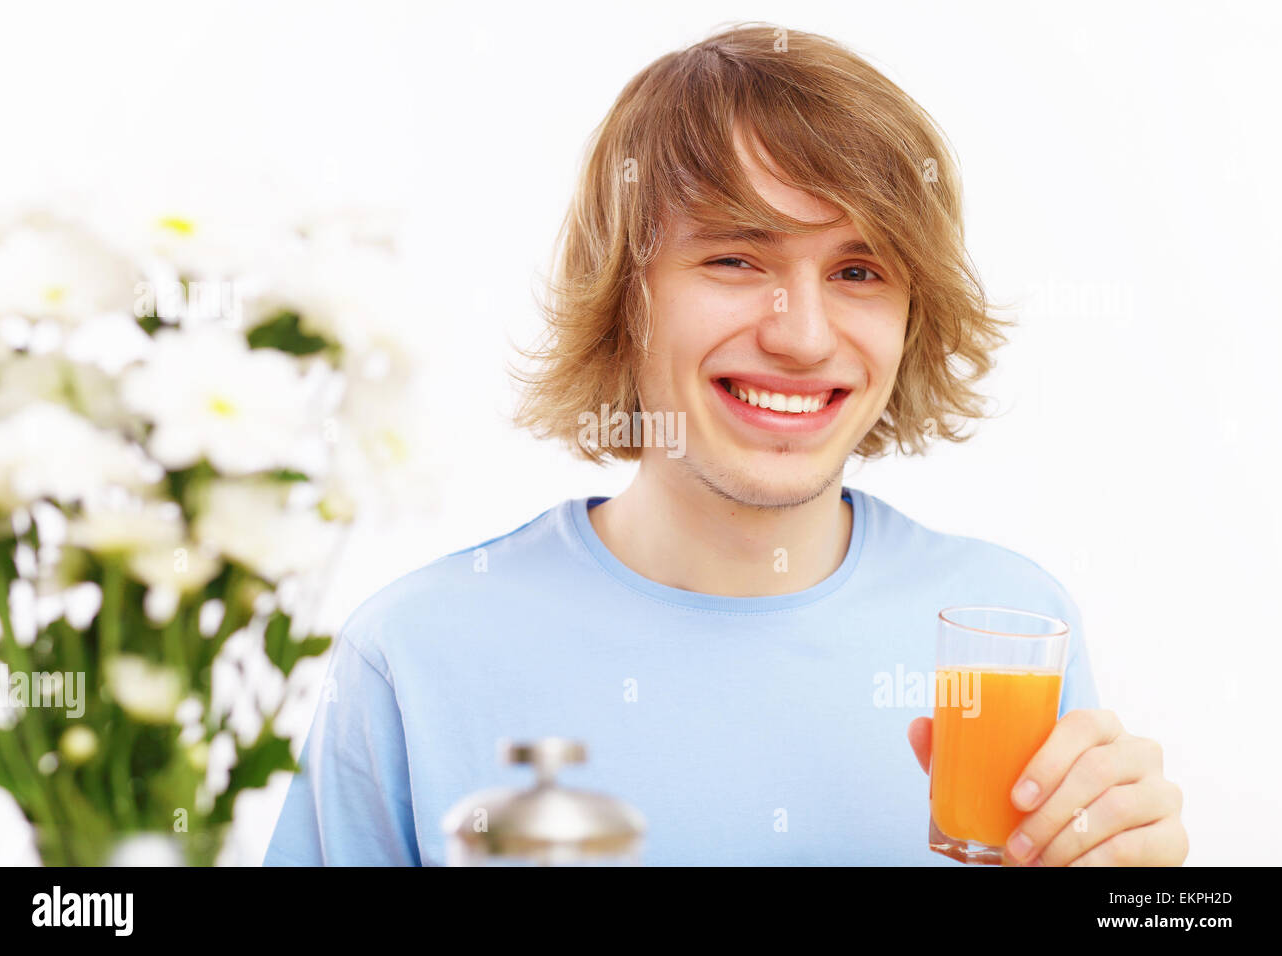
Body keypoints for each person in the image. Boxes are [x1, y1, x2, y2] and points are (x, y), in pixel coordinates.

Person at [264, 23, 1186, 866]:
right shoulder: (416, 654)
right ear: (624, 299)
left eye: (858, 271)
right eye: (736, 258)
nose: (803, 335)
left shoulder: (1003, 624)